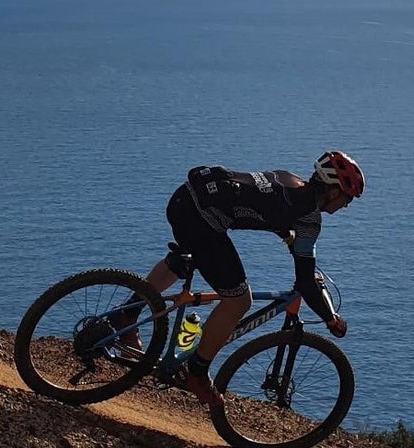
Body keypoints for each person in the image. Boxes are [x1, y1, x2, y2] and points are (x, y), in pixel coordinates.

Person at [122, 151, 364, 414]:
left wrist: (288, 236)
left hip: (184, 199)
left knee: (185, 259)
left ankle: (127, 315)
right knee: (238, 301)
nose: (346, 205)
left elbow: (265, 203)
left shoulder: (290, 181)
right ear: (331, 191)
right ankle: (197, 374)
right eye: (347, 198)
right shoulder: (308, 218)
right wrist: (330, 318)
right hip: (203, 219)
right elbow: (305, 281)